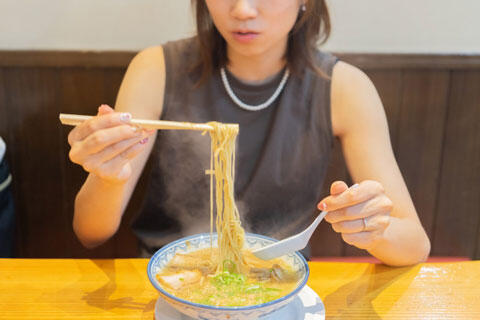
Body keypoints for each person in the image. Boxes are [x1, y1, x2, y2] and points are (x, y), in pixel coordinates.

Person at [67, 0, 430, 266]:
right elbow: (90, 232)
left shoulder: (343, 88)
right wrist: (109, 176)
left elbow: (414, 244)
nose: (242, 9)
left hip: (279, 281)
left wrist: (372, 227)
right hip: (168, 280)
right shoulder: (156, 69)